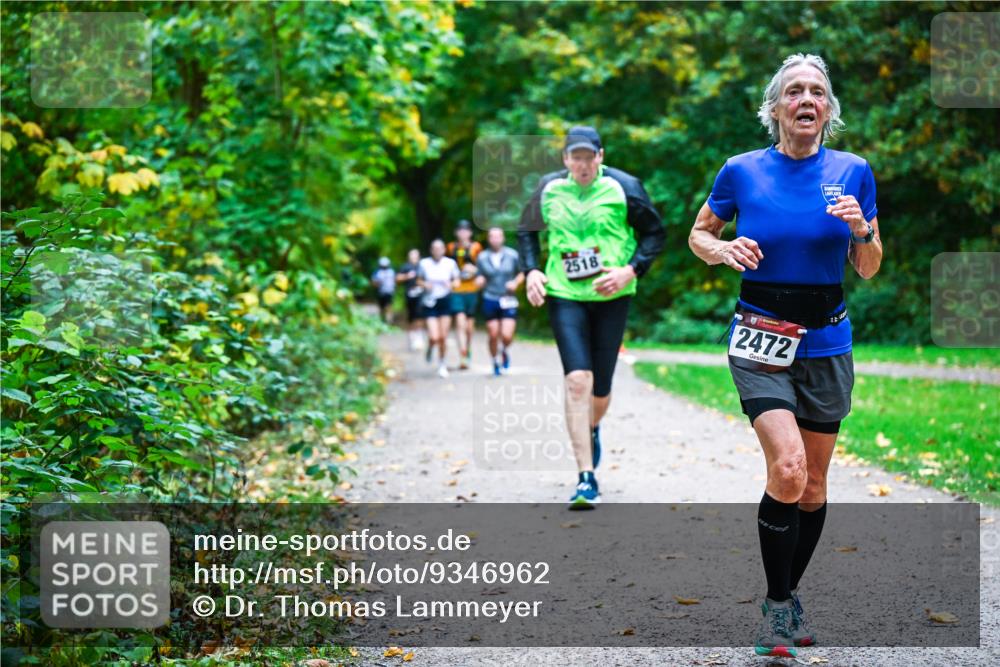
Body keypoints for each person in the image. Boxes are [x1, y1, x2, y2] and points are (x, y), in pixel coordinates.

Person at [687, 53, 882, 658]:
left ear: (828, 110)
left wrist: (863, 232)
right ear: (774, 108)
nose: (805, 100)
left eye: (817, 93)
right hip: (760, 336)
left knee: (816, 485)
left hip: (827, 340)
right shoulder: (741, 171)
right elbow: (700, 233)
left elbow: (869, 267)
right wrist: (720, 252)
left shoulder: (854, 172)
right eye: (793, 91)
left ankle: (787, 594)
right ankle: (776, 609)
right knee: (790, 468)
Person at [517, 125, 665, 509]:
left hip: (612, 294)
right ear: (566, 160)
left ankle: (592, 426)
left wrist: (630, 270)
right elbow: (526, 230)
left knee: (600, 389)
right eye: (574, 157)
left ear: (600, 156)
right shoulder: (549, 188)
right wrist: (533, 270)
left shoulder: (625, 187)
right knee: (577, 379)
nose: (582, 164)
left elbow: (655, 234)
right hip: (565, 294)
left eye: (588, 156)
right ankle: (586, 477)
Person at [475, 227, 523, 376]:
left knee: (507, 335)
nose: (495, 239)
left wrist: (515, 282)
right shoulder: (482, 257)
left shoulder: (512, 255)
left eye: (498, 236)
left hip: (508, 298)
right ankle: (495, 360)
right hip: (490, 297)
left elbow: (523, 272)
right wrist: (479, 280)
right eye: (492, 237)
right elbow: (479, 275)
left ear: (503, 238)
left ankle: (504, 350)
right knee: (493, 333)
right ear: (488, 239)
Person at [417, 239, 460, 378]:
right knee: (434, 336)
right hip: (429, 301)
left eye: (440, 248)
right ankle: (430, 346)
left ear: (444, 250)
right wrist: (425, 285)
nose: (437, 250)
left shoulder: (450, 263)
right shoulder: (424, 263)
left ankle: (442, 363)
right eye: (434, 248)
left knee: (443, 337)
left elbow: (457, 281)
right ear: (431, 250)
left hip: (445, 301)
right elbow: (418, 280)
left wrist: (451, 284)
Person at [446, 219, 483, 370]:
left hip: (472, 289)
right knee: (459, 322)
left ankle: (467, 349)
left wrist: (475, 270)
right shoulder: (450, 248)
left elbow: (483, 266)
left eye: (465, 230)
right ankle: (462, 355)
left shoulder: (476, 248)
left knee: (469, 327)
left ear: (470, 233)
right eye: (460, 230)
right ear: (456, 232)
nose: (463, 233)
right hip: (456, 291)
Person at [397, 248, 426, 351]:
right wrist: (407, 276)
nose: (413, 258)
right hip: (409, 295)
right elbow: (398, 278)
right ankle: (411, 336)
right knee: (411, 317)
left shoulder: (422, 266)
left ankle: (419, 336)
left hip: (420, 295)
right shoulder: (405, 267)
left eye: (415, 255)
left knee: (420, 315)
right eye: (411, 256)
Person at [370, 257, 396, 324]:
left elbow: (395, 281)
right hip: (381, 292)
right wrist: (378, 283)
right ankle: (382, 320)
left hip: (389, 291)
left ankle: (389, 320)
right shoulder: (377, 272)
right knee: (382, 307)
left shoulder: (391, 272)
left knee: (388, 306)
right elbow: (373, 282)